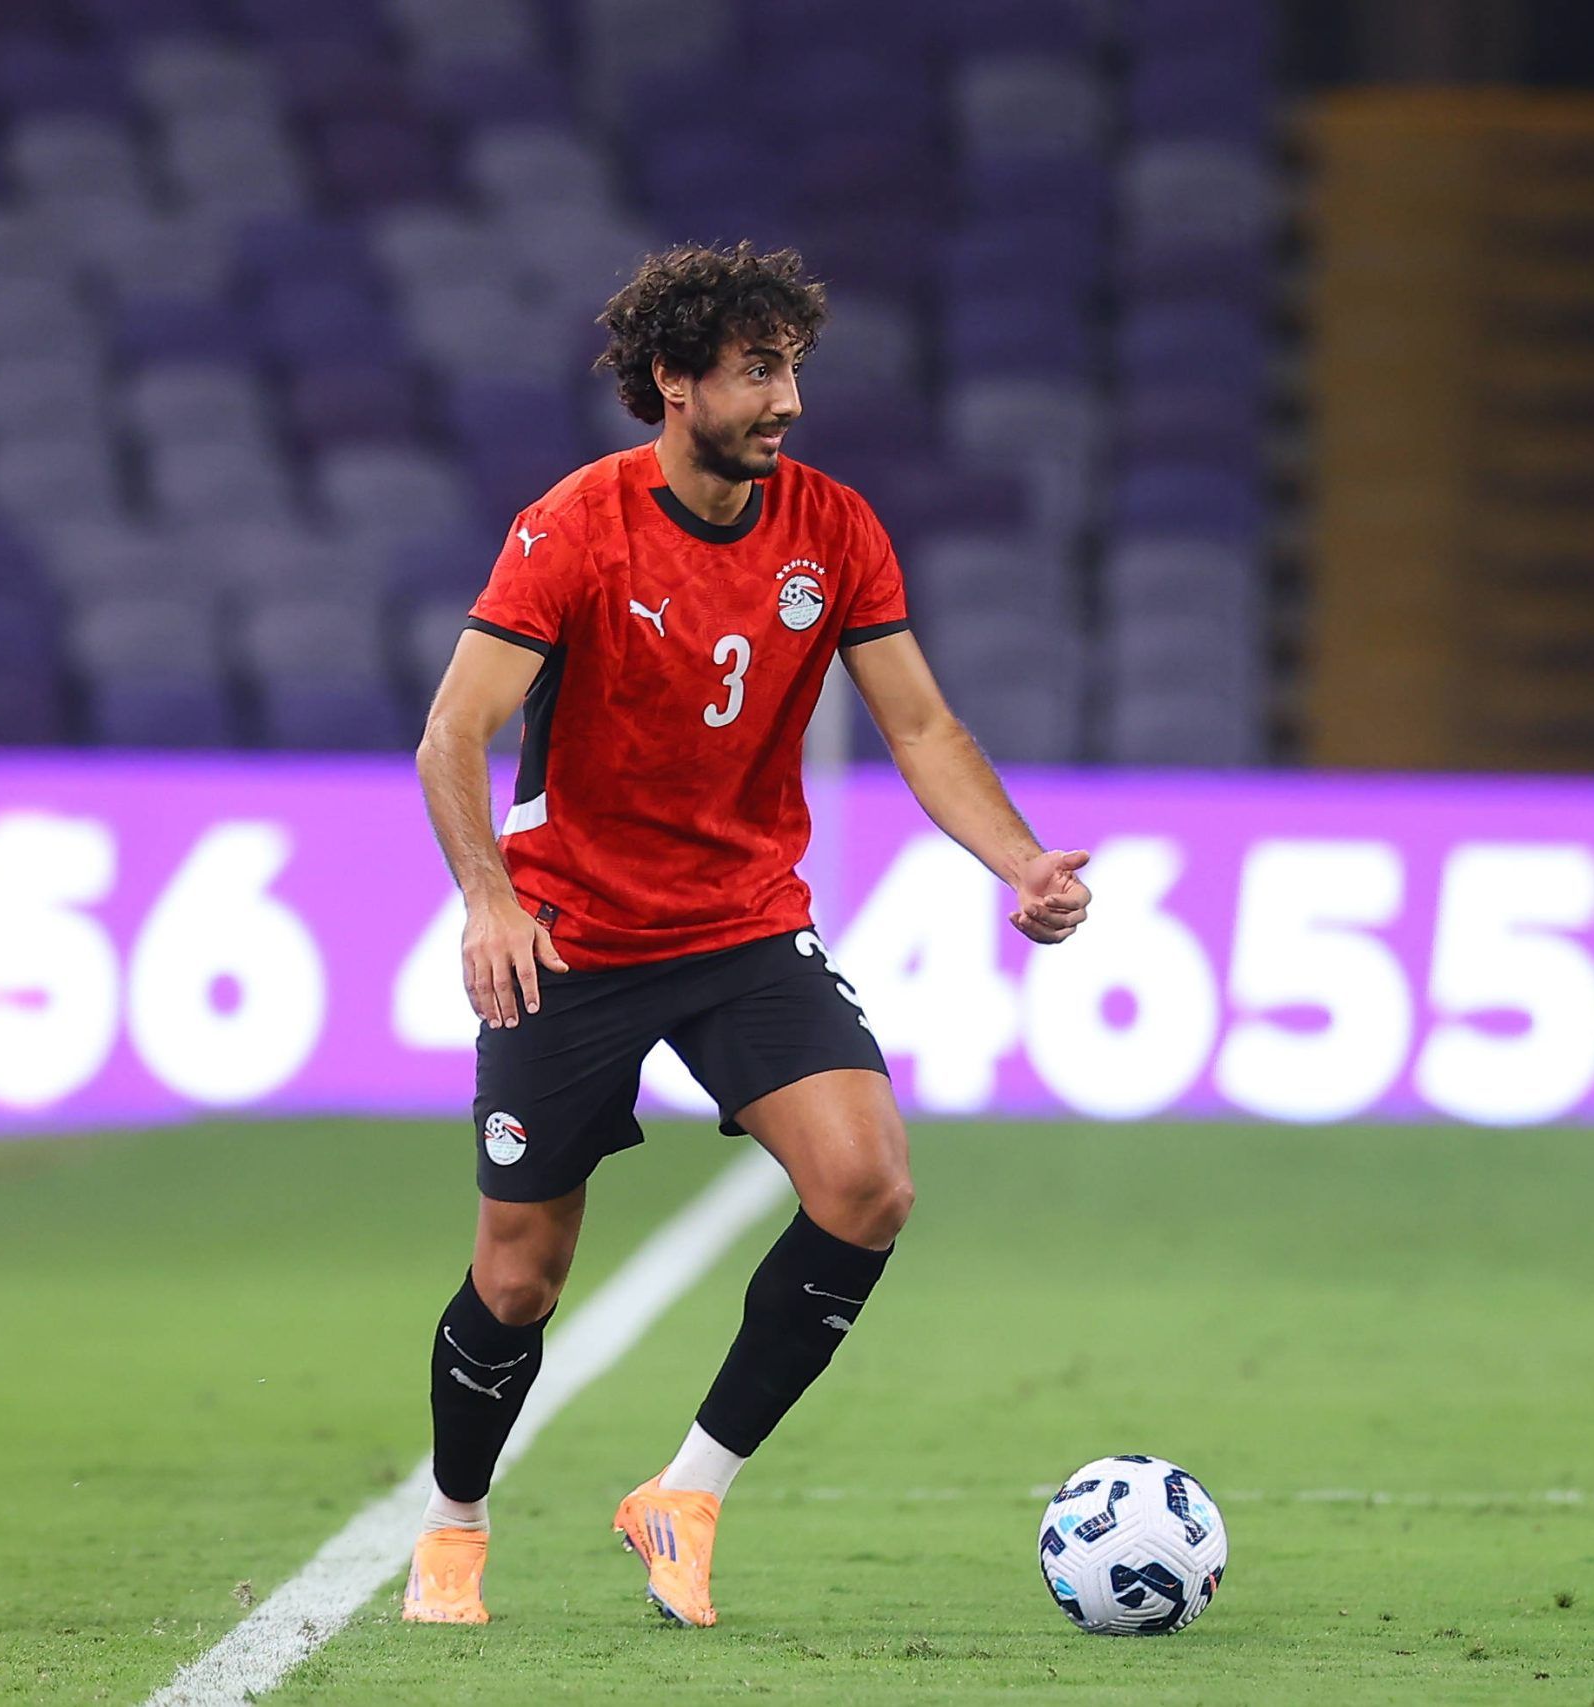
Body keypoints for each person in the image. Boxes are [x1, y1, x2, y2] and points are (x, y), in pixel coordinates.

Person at [400, 242, 1093, 1628]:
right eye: (757, 372)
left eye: (792, 371)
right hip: (574, 934)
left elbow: (920, 725)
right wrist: (489, 896)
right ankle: (455, 1527)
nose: (786, 402)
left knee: (867, 1185)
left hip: (743, 926)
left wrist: (1020, 862)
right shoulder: (576, 527)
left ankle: (687, 1493)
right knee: (520, 1277)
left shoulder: (832, 529)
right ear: (673, 379)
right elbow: (454, 733)